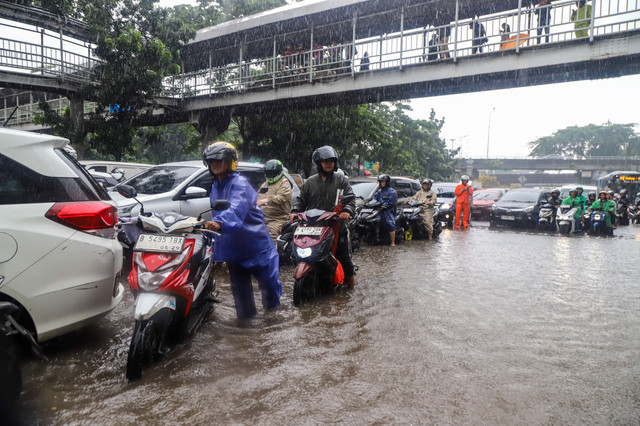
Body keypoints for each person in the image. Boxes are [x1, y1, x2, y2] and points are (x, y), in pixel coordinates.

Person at [203, 142, 282, 319]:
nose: (215, 163)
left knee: (271, 294)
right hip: (234, 250)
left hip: (256, 246)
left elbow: (236, 208)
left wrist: (219, 222)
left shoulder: (240, 183)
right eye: (211, 160)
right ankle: (246, 333)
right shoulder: (215, 186)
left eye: (219, 159)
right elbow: (218, 214)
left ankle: (274, 325)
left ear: (230, 161)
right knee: (242, 303)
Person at [289, 146, 356, 289]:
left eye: (331, 161)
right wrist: (294, 211)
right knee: (296, 254)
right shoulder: (310, 182)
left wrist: (347, 211)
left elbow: (351, 200)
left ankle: (351, 292)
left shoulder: (341, 180)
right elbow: (300, 201)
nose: (329, 163)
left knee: (345, 261)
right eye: (325, 161)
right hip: (313, 230)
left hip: (337, 227)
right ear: (319, 163)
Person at [257, 159, 292, 243]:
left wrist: (266, 200)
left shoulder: (284, 183)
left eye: (272, 172)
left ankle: (272, 255)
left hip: (277, 218)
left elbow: (282, 197)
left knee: (270, 235)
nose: (270, 175)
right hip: (261, 217)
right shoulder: (265, 184)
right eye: (268, 172)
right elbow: (257, 196)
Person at [373, 174, 398, 246]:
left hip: (389, 211)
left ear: (387, 182)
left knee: (390, 224)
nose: (382, 183)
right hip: (379, 211)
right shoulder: (379, 191)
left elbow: (392, 202)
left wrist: (384, 206)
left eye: (383, 182)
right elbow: (374, 199)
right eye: (381, 182)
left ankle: (393, 242)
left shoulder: (392, 192)